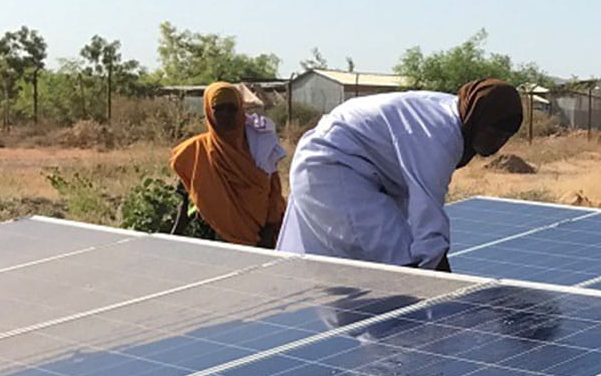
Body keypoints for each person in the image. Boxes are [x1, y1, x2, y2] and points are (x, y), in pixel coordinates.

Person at [277, 79, 522, 270]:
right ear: (476, 118)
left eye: (506, 137)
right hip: (332, 166)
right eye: (494, 132)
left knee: (382, 265)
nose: (499, 143)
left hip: (363, 167)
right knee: (399, 261)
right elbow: (428, 221)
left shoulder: (456, 114)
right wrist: (450, 298)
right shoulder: (440, 135)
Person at [168, 81, 286, 247]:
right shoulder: (194, 152)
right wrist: (172, 240)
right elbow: (186, 202)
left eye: (232, 108)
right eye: (219, 108)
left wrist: (268, 233)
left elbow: (274, 191)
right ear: (209, 111)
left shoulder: (260, 145)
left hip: (260, 238)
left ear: (240, 110)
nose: (225, 114)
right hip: (210, 240)